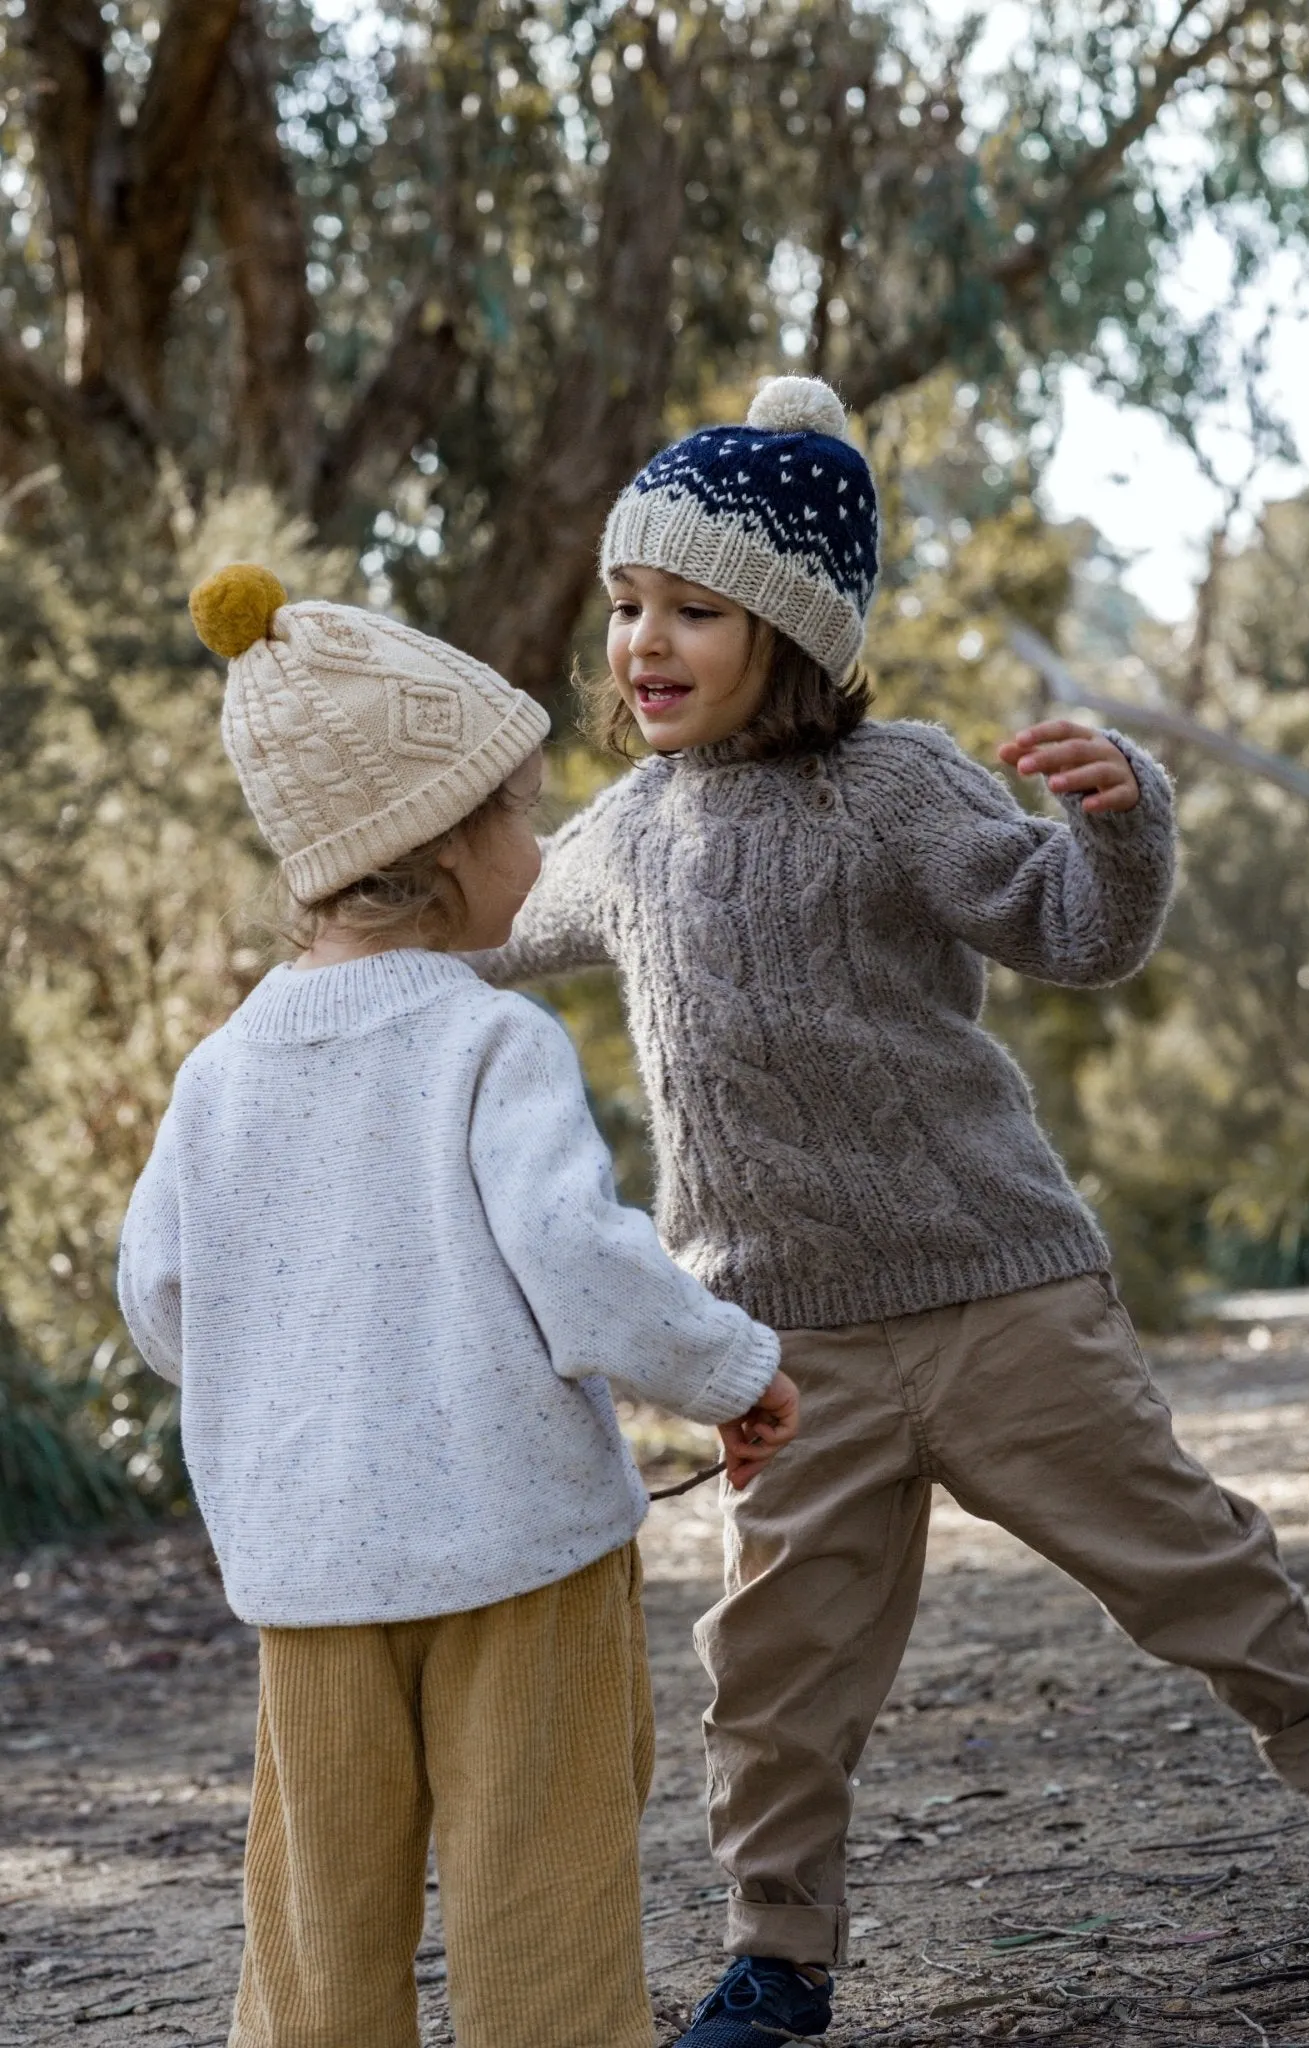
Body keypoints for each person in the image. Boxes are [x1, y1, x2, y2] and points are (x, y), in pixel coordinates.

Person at [469, 377, 1309, 2045]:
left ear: (794, 630)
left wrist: (1114, 822)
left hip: (993, 1290)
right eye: (624, 607)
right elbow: (484, 934)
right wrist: (347, 942)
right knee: (776, 1673)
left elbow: (1069, 930)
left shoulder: (892, 785)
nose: (640, 644)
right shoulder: (625, 834)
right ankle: (778, 1958)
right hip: (787, 1345)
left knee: (1183, 1558)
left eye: (691, 609)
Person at [116, 564, 799, 2048]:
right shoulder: (492, 1039)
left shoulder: (220, 1072)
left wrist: (286, 1359)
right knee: (540, 1898)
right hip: (517, 1554)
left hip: (312, 1574)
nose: (543, 844)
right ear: (437, 847)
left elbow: (162, 1302)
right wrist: (731, 1369)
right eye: (521, 812)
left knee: (319, 1921)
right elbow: (578, 1257)